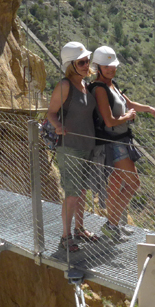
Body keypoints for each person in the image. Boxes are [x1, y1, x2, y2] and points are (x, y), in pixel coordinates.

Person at [90, 45, 155, 241]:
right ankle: (112, 224)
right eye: (106, 66)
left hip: (120, 140)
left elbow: (128, 104)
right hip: (114, 143)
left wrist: (149, 109)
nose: (111, 69)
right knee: (133, 183)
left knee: (115, 184)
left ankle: (114, 224)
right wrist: (128, 117)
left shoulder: (111, 85)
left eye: (112, 66)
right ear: (98, 67)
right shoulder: (100, 89)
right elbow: (109, 121)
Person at [46, 42, 99, 253]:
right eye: (81, 62)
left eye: (87, 61)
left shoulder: (86, 85)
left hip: (86, 146)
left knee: (81, 191)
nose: (87, 65)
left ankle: (79, 229)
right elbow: (51, 112)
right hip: (69, 147)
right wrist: (58, 126)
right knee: (72, 194)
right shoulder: (65, 85)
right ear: (71, 65)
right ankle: (65, 236)